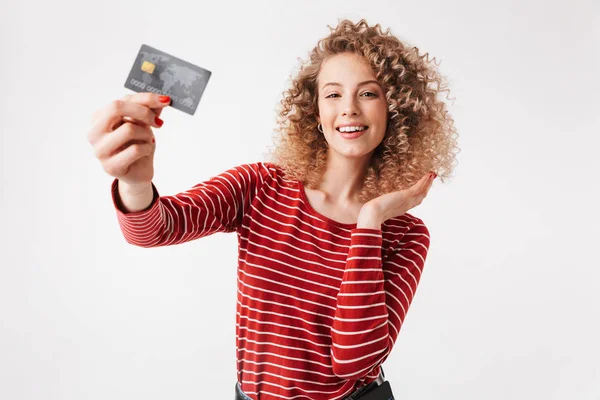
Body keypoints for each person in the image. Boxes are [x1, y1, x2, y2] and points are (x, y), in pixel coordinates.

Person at [87, 18, 458, 400]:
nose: (348, 109)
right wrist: (133, 181)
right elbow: (154, 229)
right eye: (333, 94)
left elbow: (352, 360)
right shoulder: (261, 187)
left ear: (394, 110)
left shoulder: (404, 234)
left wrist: (369, 221)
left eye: (368, 94)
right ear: (314, 110)